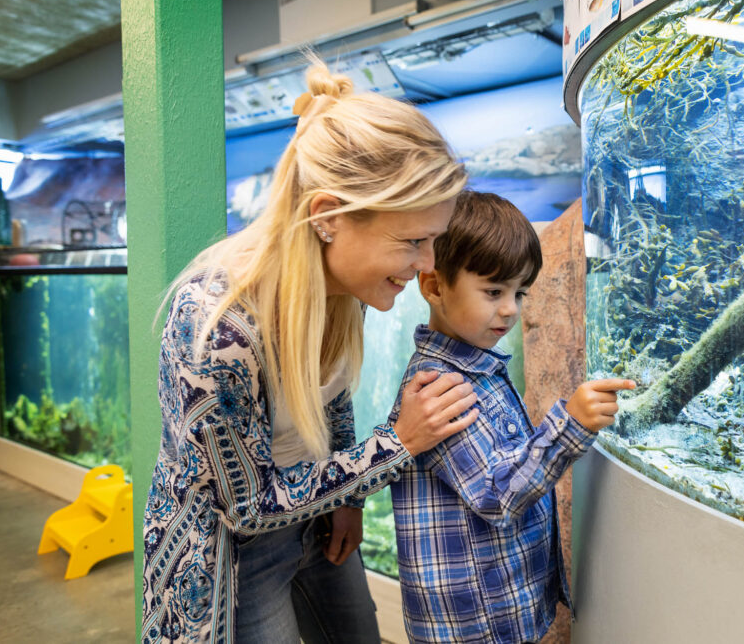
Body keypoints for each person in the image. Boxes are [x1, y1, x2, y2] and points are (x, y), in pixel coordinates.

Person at [142, 59, 482, 644]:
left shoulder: (337, 288)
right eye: (412, 242)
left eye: (433, 241)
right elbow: (245, 508)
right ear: (327, 217)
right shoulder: (218, 329)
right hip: (234, 554)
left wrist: (343, 504)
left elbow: (330, 398)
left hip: (318, 517)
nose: (427, 265)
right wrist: (397, 444)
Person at [388, 191, 635, 643]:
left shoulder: (480, 366)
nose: (510, 310)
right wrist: (570, 426)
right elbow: (496, 496)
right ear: (435, 286)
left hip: (504, 610)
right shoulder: (439, 388)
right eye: (493, 291)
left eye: (519, 293)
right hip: (475, 627)